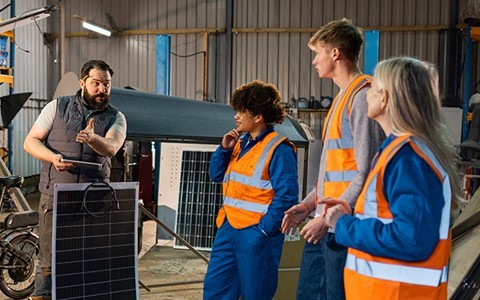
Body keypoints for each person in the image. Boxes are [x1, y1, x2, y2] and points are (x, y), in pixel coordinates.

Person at [320, 57, 463, 299]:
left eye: (373, 88)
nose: (367, 94)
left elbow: (411, 239)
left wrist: (344, 224)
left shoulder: (409, 160)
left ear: (385, 98)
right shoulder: (396, 152)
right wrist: (352, 214)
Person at [281, 19, 385, 300]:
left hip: (342, 226)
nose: (315, 61)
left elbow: (366, 172)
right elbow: (333, 174)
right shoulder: (341, 99)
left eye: (318, 52)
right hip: (324, 222)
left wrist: (326, 218)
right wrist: (307, 205)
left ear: (336, 53)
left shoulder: (362, 98)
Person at [24, 60, 127, 300]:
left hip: (94, 199)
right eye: (96, 83)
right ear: (82, 83)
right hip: (55, 195)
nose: (102, 89)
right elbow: (30, 141)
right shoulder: (56, 107)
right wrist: (53, 157)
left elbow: (111, 148)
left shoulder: (117, 117)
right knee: (49, 261)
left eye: (107, 84)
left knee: (88, 260)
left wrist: (92, 138)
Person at [203, 80, 298, 299]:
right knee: (216, 290)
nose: (236, 116)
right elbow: (216, 175)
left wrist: (264, 231)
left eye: (241, 111)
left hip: (256, 233)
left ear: (258, 117)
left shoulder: (279, 149)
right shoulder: (238, 142)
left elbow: (287, 197)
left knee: (255, 293)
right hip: (228, 228)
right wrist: (224, 149)